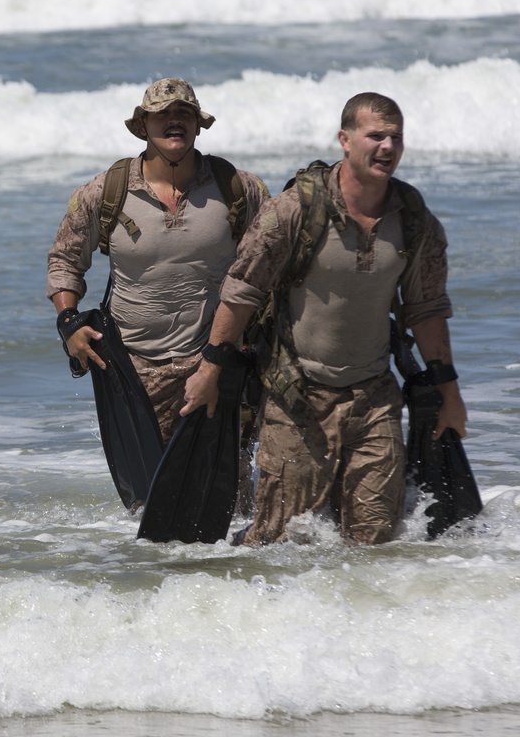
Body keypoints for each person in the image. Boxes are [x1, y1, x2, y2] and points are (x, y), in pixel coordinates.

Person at [181, 92, 466, 545]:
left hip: (375, 398)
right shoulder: (296, 209)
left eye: (396, 137)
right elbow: (241, 292)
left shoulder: (413, 219)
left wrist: (450, 394)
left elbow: (427, 311)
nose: (388, 147)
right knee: (279, 545)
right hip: (298, 397)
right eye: (376, 136)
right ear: (345, 139)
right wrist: (210, 368)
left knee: (375, 544)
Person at [47, 78, 269, 508]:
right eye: (163, 114)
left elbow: (277, 262)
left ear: (197, 125)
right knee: (150, 507)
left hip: (216, 362)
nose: (174, 121)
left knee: (229, 498)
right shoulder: (106, 192)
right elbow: (64, 261)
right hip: (134, 368)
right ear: (143, 125)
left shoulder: (238, 189)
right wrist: (69, 324)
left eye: (184, 113)